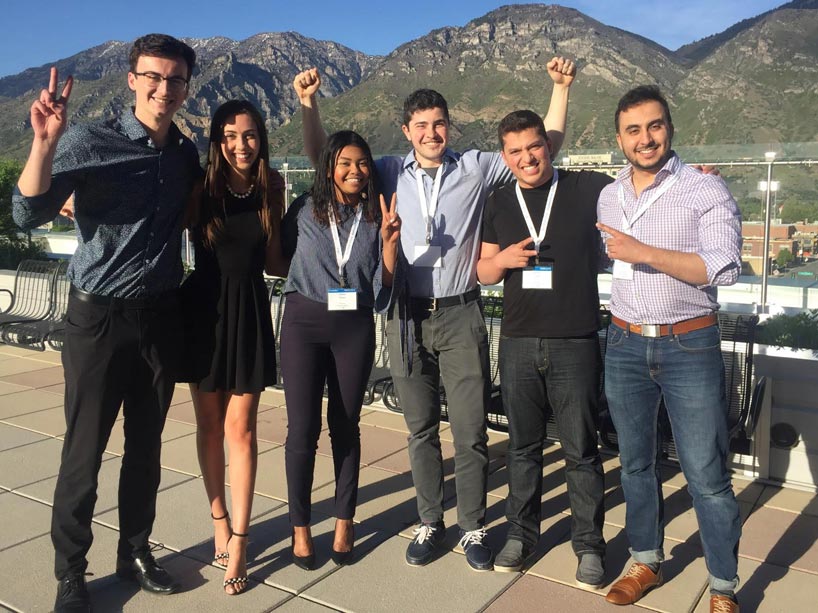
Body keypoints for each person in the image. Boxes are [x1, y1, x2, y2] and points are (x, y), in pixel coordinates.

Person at [293, 57, 574, 571]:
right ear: (406, 131)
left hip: (461, 311)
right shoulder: (387, 170)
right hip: (403, 316)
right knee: (419, 427)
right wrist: (309, 105)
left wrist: (559, 89)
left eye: (439, 124)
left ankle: (472, 527)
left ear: (450, 127)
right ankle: (429, 520)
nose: (431, 133)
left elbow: (541, 148)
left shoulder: (476, 167)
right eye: (420, 125)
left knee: (469, 430)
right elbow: (325, 159)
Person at [12, 34, 201, 612]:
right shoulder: (89, 141)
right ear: (131, 79)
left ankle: (136, 552)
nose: (163, 89)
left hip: (159, 316)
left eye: (174, 79)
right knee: (84, 451)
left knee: (146, 449)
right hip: (98, 317)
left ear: (186, 86)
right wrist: (45, 145)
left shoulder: (184, 154)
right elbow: (28, 213)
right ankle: (71, 572)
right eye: (152, 76)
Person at [596, 85, 743, 613]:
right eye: (633, 130)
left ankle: (723, 588)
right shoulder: (609, 195)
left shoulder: (704, 189)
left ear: (670, 128)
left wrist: (644, 253)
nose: (645, 138)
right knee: (635, 463)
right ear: (619, 139)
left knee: (706, 474)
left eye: (654, 126)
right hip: (624, 340)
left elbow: (721, 266)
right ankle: (646, 560)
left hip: (690, 342)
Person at [476, 108, 612, 582]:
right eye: (515, 151)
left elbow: (642, 191)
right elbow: (484, 270)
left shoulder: (586, 189)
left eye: (534, 146)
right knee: (522, 448)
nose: (527, 157)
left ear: (547, 145)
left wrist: (692, 178)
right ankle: (520, 534)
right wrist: (507, 260)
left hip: (575, 340)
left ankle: (589, 545)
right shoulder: (497, 201)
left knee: (581, 450)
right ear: (505, 156)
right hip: (517, 340)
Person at [280, 129, 401, 569]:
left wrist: (389, 243)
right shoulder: (303, 210)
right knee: (302, 430)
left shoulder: (377, 217)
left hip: (353, 327)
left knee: (346, 425)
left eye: (363, 163)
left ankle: (345, 519)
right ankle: (299, 525)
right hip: (303, 323)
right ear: (329, 166)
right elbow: (277, 258)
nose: (355, 171)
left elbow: (383, 287)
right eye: (346, 163)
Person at [178, 100, 285, 594]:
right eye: (229, 135)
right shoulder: (201, 188)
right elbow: (155, 224)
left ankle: (239, 540)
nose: (241, 144)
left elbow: (277, 263)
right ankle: (217, 516)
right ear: (217, 142)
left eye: (249, 135)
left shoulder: (272, 186)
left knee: (240, 431)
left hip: (249, 313)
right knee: (209, 426)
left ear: (261, 138)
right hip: (204, 311)